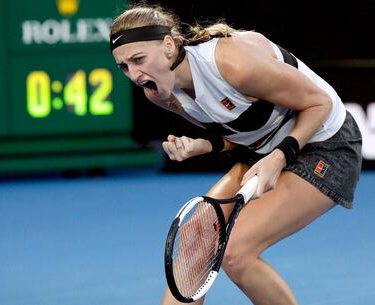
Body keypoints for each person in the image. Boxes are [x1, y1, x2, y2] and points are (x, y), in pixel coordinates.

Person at [109, 4, 362, 305]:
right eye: (124, 67)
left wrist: (280, 156)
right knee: (195, 239)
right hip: (264, 149)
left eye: (139, 59)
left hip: (327, 145)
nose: (134, 75)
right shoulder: (158, 93)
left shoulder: (233, 63)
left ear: (167, 46)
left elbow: (319, 104)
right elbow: (238, 133)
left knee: (237, 253)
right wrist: (205, 145)